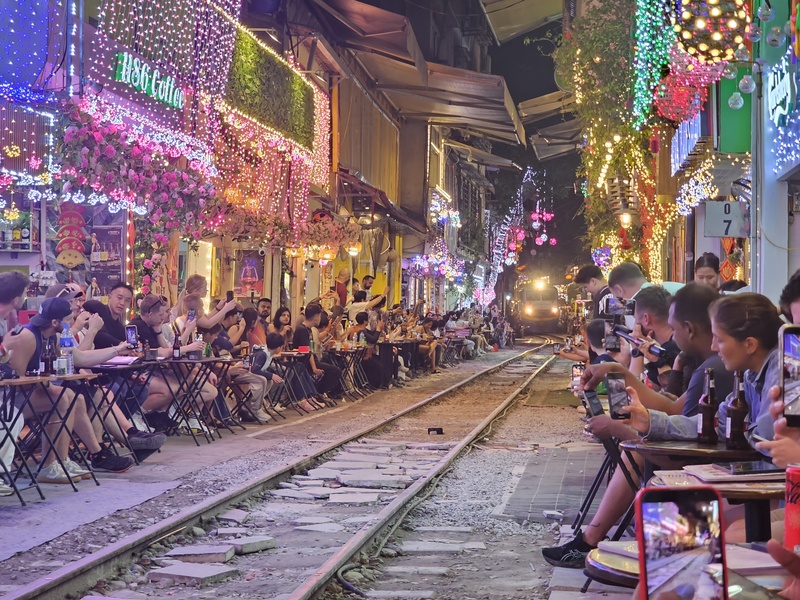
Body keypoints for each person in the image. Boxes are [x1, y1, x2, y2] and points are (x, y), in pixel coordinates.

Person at [542, 286, 740, 569]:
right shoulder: (710, 366)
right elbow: (678, 410)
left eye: (674, 329)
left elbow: (687, 433)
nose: (716, 348)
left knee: (635, 449)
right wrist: (622, 374)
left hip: (700, 469)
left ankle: (592, 541)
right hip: (702, 463)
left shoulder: (714, 369)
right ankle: (593, 541)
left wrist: (623, 429)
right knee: (634, 447)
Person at [3, 298, 135, 483]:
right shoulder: (28, 336)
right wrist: (45, 382)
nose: (72, 323)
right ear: (54, 322)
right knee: (62, 398)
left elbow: (80, 358)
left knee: (74, 398)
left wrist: (117, 350)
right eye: (68, 319)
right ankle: (49, 465)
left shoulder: (53, 337)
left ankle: (62, 460)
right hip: (10, 400)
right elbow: (15, 380)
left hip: (30, 392)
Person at [627, 286, 679, 389]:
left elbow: (634, 390)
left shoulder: (666, 351)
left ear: (646, 319)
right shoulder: (678, 342)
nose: (635, 324)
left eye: (636, 318)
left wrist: (636, 350)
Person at [293, 304, 342, 400]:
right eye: (319, 316)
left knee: (334, 367)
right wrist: (314, 368)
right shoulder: (302, 330)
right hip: (304, 362)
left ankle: (318, 393)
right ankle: (318, 393)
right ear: (316, 317)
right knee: (335, 371)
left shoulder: (309, 329)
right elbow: (307, 350)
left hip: (310, 359)